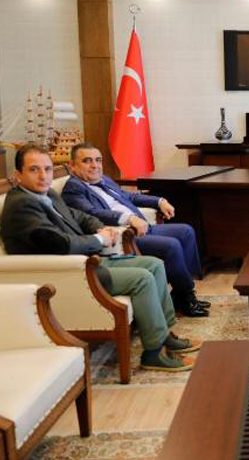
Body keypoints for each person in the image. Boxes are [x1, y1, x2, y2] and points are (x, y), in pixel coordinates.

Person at [1, 145, 199, 372]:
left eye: (47, 169)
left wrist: (100, 228)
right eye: (34, 169)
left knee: (154, 265)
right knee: (142, 278)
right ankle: (153, 354)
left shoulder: (46, 194)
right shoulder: (22, 205)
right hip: (71, 273)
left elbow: (79, 216)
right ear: (18, 175)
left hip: (86, 262)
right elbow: (61, 244)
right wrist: (99, 239)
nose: (43, 176)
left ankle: (164, 335)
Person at [61, 143, 209, 318]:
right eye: (87, 161)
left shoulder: (104, 179)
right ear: (72, 166)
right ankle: (186, 296)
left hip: (141, 227)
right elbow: (93, 213)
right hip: (124, 235)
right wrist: (129, 218)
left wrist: (159, 201)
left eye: (98, 160)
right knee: (172, 246)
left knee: (186, 231)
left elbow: (129, 196)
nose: (95, 165)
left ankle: (181, 293)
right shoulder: (73, 189)